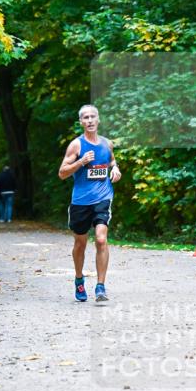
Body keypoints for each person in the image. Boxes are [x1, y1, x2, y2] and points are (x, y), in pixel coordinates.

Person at [57, 104, 121, 302]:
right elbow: (62, 173)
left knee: (101, 239)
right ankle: (79, 280)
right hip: (80, 201)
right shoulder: (76, 145)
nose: (90, 120)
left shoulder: (106, 144)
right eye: (86, 117)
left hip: (103, 197)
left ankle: (100, 287)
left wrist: (115, 168)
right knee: (80, 243)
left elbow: (111, 160)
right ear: (81, 122)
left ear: (98, 119)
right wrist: (81, 162)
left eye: (93, 116)